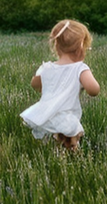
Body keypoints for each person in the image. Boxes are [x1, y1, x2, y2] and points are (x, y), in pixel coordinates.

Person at [20, 19, 101, 151]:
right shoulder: (80, 68)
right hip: (67, 117)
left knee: (53, 148)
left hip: (48, 116)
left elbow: (34, 84)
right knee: (72, 147)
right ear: (81, 47)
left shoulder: (46, 68)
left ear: (56, 46)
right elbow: (94, 90)